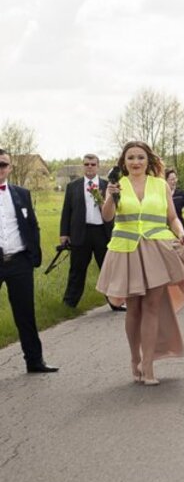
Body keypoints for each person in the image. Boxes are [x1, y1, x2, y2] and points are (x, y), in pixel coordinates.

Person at [96, 141, 184, 385]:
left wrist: (181, 232)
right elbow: (107, 217)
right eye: (131, 158)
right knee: (133, 308)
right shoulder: (117, 185)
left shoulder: (161, 185)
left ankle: (148, 364)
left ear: (148, 160)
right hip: (126, 250)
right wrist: (110, 197)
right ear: (124, 162)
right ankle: (135, 358)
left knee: (152, 306)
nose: (136, 162)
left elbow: (172, 217)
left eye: (140, 157)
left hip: (156, 248)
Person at [0, 148, 58, 373]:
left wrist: (33, 256)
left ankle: (34, 361)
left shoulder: (21, 194)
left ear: (10, 168)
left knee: (25, 314)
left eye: (3, 164)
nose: (0, 169)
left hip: (19, 261)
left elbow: (32, 225)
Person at [59, 153, 122, 311]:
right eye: (86, 164)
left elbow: (118, 208)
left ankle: (115, 302)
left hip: (102, 232)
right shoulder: (73, 186)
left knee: (108, 269)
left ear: (98, 166)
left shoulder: (108, 185)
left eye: (93, 164)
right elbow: (66, 211)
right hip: (81, 232)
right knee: (77, 269)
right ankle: (69, 304)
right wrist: (64, 234)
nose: (89, 167)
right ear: (83, 166)